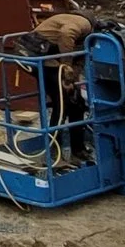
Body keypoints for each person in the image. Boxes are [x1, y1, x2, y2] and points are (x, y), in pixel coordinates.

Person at [31, 12, 96, 165]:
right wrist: (66, 65)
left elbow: (79, 61)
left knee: (77, 103)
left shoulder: (84, 39)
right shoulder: (84, 24)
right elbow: (66, 33)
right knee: (62, 104)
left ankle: (78, 150)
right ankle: (54, 153)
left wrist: (71, 81)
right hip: (36, 54)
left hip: (49, 58)